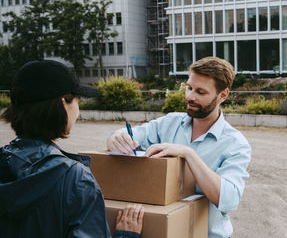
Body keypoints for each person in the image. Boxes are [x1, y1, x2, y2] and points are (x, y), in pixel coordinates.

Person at [107, 57, 251, 238]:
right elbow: (122, 136)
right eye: (189, 88)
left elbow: (228, 200)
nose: (190, 96)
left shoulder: (235, 144)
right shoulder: (169, 122)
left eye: (200, 92)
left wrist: (189, 154)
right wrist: (116, 138)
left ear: (222, 95)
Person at [0, 60, 144, 238]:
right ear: (63, 103)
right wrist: (127, 235)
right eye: (77, 101)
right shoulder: (75, 180)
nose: (78, 110)